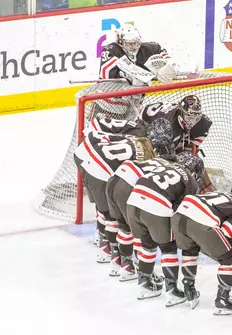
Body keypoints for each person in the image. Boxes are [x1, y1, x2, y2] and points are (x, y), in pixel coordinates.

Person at [126, 152, 205, 305]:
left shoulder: (166, 166)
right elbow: (186, 211)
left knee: (147, 244)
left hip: (133, 202)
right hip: (155, 204)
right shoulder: (190, 181)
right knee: (169, 247)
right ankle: (172, 290)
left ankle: (144, 284)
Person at [171, 178, 232, 312]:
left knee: (190, 250)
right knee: (228, 255)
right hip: (201, 222)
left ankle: (189, 288)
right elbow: (226, 233)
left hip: (178, 216)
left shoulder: (219, 193)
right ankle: (223, 299)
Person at [73, 130, 156, 264]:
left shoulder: (135, 139)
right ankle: (116, 258)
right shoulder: (147, 155)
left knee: (105, 212)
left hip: (87, 158)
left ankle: (107, 249)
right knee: (118, 219)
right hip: (99, 170)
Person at [99, 23, 178, 84]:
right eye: (129, 44)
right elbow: (105, 73)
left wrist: (167, 69)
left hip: (134, 99)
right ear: (121, 42)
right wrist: (131, 76)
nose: (133, 47)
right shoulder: (111, 50)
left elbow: (170, 61)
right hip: (109, 97)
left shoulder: (151, 48)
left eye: (135, 43)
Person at [139, 94, 212, 154]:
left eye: (195, 118)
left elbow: (191, 149)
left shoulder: (202, 123)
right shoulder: (168, 127)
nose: (192, 122)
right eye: (189, 117)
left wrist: (188, 151)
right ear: (181, 113)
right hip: (144, 121)